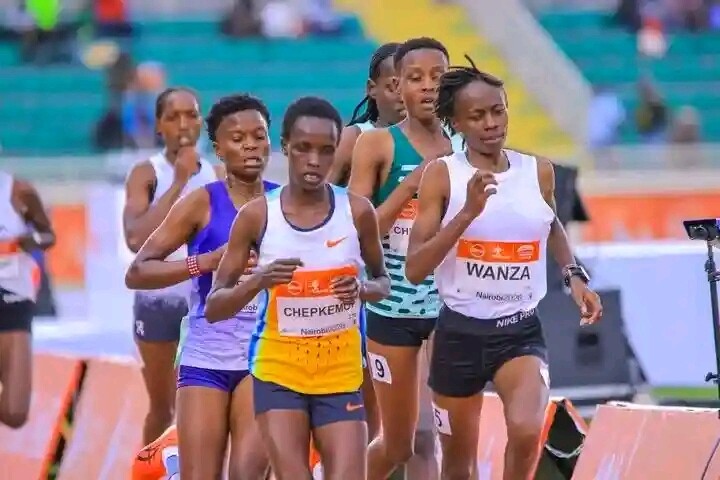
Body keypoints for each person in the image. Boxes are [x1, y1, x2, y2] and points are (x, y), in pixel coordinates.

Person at [404, 57, 603, 480]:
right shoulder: (442, 176)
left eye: (498, 110)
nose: (491, 123)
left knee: (528, 430)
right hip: (459, 334)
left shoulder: (538, 172)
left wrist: (573, 275)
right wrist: (466, 215)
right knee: (457, 467)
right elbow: (415, 269)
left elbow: (551, 224)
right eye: (477, 115)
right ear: (457, 123)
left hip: (519, 332)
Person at [205, 96, 390, 480]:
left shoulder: (357, 212)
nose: (314, 161)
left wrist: (362, 290)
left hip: (340, 374)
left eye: (326, 150)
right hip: (279, 374)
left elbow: (383, 282)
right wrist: (259, 280)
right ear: (286, 146)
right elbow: (215, 306)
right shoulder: (258, 216)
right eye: (304, 148)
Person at [125, 94, 278, 479]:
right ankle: (167, 461)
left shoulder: (286, 204)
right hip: (205, 358)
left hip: (265, 357)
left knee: (247, 473)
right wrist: (205, 262)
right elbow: (138, 271)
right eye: (237, 138)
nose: (250, 146)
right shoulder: (202, 202)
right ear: (218, 149)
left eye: (258, 136)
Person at [348, 37, 452, 480]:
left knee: (434, 437)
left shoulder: (466, 144)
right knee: (398, 443)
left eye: (437, 77)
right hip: (392, 306)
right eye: (415, 78)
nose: (427, 86)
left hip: (450, 305)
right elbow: (356, 230)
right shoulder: (377, 145)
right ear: (398, 86)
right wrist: (411, 186)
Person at [123, 87, 220, 444]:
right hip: (158, 303)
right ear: (159, 126)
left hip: (203, 303)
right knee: (163, 409)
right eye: (173, 117)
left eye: (191, 115)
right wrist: (179, 181)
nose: (183, 124)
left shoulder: (216, 174)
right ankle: (148, 465)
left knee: (193, 406)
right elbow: (136, 240)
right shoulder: (146, 173)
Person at [0, 172, 54, 429]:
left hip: (12, 298)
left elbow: (48, 235)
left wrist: (27, 241)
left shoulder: (18, 191)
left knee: (15, 413)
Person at [328, 42, 405, 187]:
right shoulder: (352, 138)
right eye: (394, 86)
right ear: (372, 88)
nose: (403, 94)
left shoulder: (442, 139)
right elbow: (322, 194)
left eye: (412, 82)